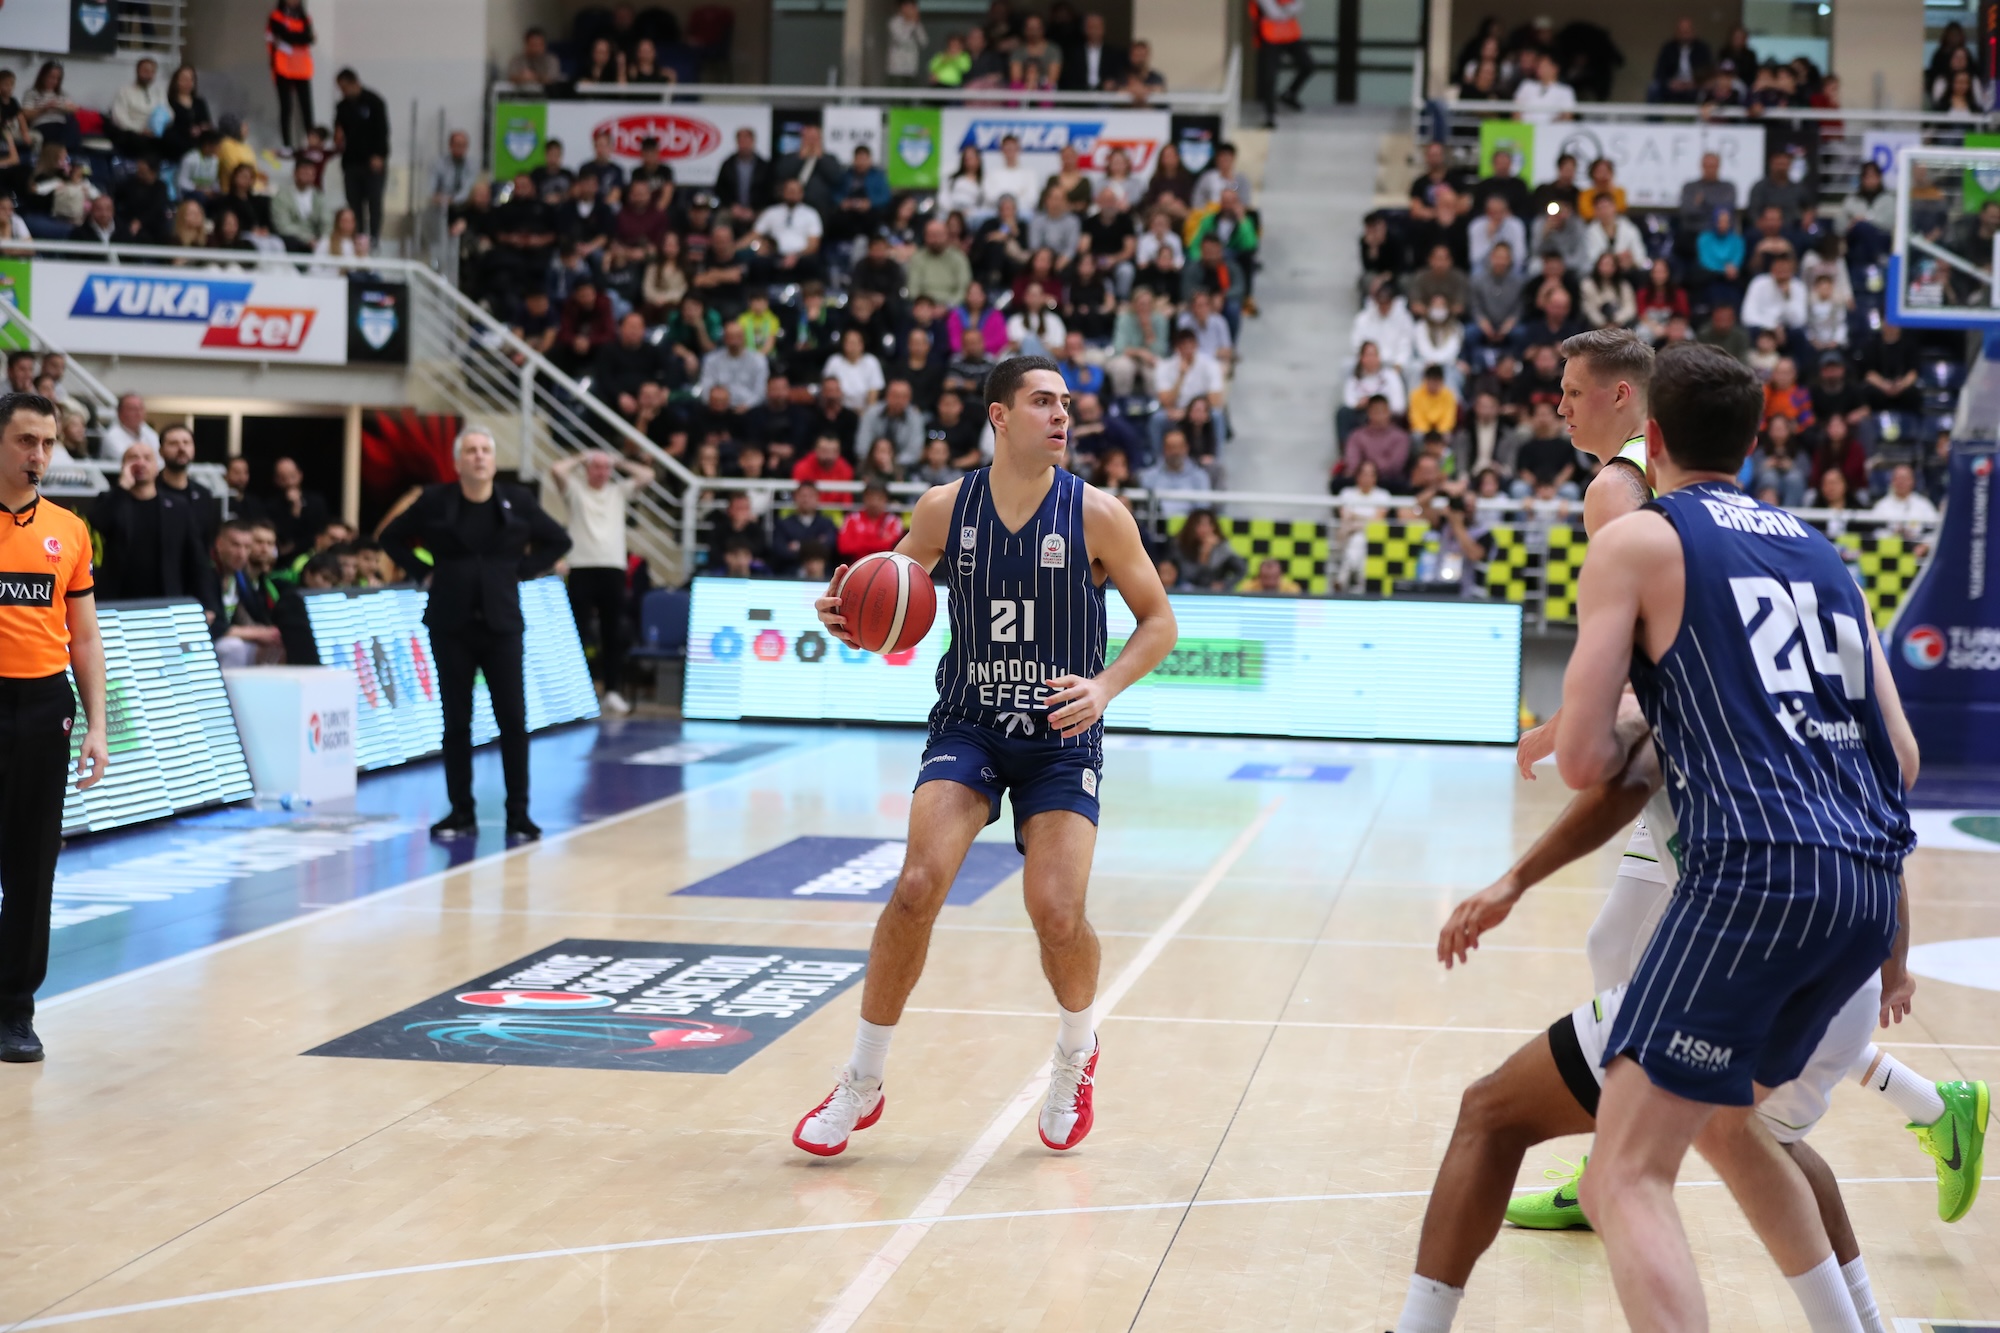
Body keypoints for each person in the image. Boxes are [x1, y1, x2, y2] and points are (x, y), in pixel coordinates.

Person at [1554, 342, 1917, 1332]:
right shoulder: (1822, 553)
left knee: (1618, 1176)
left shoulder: (1635, 535)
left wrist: (1600, 726)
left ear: (1651, 437)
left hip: (1750, 873)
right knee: (1724, 1122)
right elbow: (1902, 754)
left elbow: (1586, 762)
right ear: (1756, 442)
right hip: (1861, 891)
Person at [794, 355, 1177, 1158]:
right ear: (1000, 417)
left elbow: (1158, 624)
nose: (1061, 414)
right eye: (1043, 402)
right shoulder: (943, 508)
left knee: (1057, 912)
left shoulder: (1097, 514)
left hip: (1060, 736)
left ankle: (1076, 1052)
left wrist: (1104, 687)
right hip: (969, 723)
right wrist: (847, 616)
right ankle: (861, 1078)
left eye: (1065, 403)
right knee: (915, 885)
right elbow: (888, 595)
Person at [380, 429, 569, 842]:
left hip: (502, 623)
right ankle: (460, 810)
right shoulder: (435, 501)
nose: (479, 457)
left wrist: (518, 571)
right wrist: (421, 571)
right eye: (471, 451)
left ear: (494, 459)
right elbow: (390, 537)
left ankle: (518, 813)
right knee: (456, 722)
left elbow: (559, 539)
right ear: (458, 462)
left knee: (513, 721)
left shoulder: (516, 501)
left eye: (486, 450)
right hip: (451, 623)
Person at [0, 393, 108, 1063]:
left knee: (33, 864)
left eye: (47, 442)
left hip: (44, 707)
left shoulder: (69, 529)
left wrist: (96, 723)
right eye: (25, 441)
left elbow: (86, 637)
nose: (38, 454)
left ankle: (15, 1009)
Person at [332, 68, 389, 242]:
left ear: (354, 83)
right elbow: (339, 130)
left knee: (374, 202)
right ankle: (358, 238)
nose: (343, 92)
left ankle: (373, 238)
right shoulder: (342, 107)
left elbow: (382, 131)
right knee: (354, 203)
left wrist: (379, 155)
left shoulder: (374, 102)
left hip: (372, 162)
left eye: (344, 87)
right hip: (351, 162)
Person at [1251, 0, 1312, 126]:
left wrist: (1284, 11)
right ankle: (1270, 115)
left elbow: (1300, 6)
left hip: (1291, 35)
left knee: (1308, 65)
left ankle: (1290, 94)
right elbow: (1273, 13)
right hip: (1270, 37)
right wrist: (1288, 10)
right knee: (1269, 77)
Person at [267, 1, 315, 150]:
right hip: (283, 69)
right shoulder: (276, 16)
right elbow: (285, 36)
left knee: (306, 108)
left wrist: (296, 37)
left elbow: (309, 38)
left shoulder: (304, 17)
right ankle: (286, 144)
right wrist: (299, 37)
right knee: (286, 107)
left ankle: (312, 141)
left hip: (302, 69)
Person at [1512, 52, 1576, 123]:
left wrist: (1548, 129)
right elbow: (1516, 112)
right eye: (1539, 65)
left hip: (1552, 131)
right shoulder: (1526, 85)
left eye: (1544, 65)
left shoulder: (1566, 91)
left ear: (1555, 68)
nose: (1540, 68)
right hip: (1525, 130)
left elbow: (1567, 116)